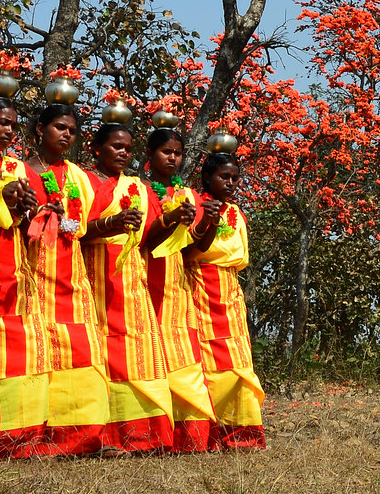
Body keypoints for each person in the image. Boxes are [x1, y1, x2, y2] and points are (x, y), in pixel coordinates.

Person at [24, 104, 109, 456]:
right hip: (33, 272)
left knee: (82, 350)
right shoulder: (22, 170)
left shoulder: (80, 176)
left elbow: (84, 226)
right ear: (40, 130)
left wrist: (64, 220)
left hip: (73, 275)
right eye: (60, 127)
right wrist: (40, 214)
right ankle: (36, 437)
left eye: (72, 130)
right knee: (40, 353)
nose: (67, 135)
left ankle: (84, 437)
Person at [86, 123, 174, 453]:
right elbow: (78, 231)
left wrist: (170, 221)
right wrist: (110, 224)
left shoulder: (137, 186)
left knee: (139, 354)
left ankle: (146, 437)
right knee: (104, 353)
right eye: (115, 146)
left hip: (132, 276)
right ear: (96, 149)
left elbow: (150, 238)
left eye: (127, 147)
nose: (123, 152)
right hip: (96, 274)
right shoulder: (86, 181)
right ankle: (105, 437)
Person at [0, 97, 48, 458]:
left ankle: (21, 432)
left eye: (14, 125)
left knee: (18, 344)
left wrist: (29, 209)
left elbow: (26, 222)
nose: (8, 130)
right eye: (2, 122)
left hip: (13, 262)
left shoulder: (18, 166)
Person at [141, 128, 216, 452]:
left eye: (178, 153)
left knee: (185, 361)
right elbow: (143, 242)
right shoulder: (139, 189)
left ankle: (192, 438)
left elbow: (191, 251)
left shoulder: (189, 195)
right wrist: (169, 219)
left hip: (177, 287)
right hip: (144, 283)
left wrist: (208, 224)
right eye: (166, 152)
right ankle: (152, 436)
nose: (173, 158)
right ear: (150, 155)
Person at [187, 153, 267, 450]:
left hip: (229, 290)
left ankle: (241, 431)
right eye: (224, 177)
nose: (231, 183)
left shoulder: (236, 212)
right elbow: (190, 248)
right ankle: (206, 432)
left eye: (235, 178)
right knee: (206, 360)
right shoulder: (195, 204)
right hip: (198, 286)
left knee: (237, 360)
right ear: (207, 178)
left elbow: (240, 257)